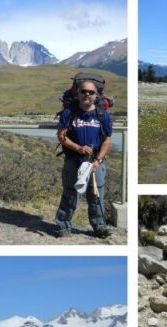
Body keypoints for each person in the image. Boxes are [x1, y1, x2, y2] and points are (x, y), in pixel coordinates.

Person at [54, 78, 112, 239]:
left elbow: (107, 140)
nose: (87, 94)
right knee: (70, 193)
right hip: (73, 160)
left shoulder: (102, 116)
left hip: (95, 162)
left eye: (91, 92)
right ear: (78, 94)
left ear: (96, 96)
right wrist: (79, 148)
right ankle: (63, 225)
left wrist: (98, 160)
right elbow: (61, 136)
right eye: (84, 91)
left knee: (96, 195)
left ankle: (99, 226)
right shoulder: (69, 113)